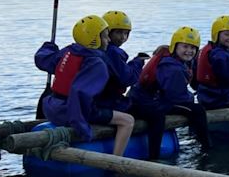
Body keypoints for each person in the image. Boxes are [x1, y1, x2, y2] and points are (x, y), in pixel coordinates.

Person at [34, 15, 135, 156]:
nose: (109, 40)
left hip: (51, 107)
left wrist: (48, 47)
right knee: (128, 121)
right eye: (105, 36)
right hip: (68, 112)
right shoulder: (96, 63)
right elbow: (79, 94)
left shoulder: (69, 51)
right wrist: (81, 127)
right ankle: (116, 161)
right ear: (95, 39)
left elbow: (43, 60)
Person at [129, 26, 211, 159]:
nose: (189, 51)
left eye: (192, 48)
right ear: (175, 47)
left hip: (150, 98)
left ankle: (199, 142)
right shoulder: (172, 68)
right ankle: (206, 148)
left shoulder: (177, 59)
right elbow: (178, 98)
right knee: (197, 110)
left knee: (192, 108)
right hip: (146, 102)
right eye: (185, 47)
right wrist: (191, 96)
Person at [100, 10, 147, 114]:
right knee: (154, 112)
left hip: (102, 99)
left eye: (126, 33)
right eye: (118, 32)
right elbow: (127, 79)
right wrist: (138, 62)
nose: (123, 37)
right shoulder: (113, 52)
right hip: (108, 102)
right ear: (107, 32)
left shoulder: (97, 49)